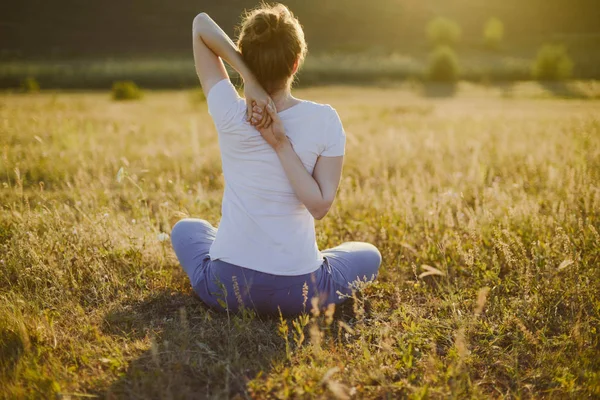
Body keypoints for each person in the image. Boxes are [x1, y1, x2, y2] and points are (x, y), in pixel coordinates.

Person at [171, 3, 381, 316]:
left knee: (185, 229)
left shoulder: (231, 111)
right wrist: (281, 143)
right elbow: (320, 206)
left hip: (227, 288)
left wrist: (247, 77)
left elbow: (201, 24)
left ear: (244, 56)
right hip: (299, 292)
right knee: (369, 254)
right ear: (295, 63)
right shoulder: (325, 119)